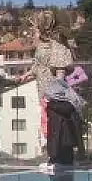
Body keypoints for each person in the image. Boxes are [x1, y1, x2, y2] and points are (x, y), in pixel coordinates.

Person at [18, 11, 74, 171]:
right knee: (49, 126)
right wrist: (27, 75)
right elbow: (38, 66)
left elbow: (60, 72)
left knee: (54, 127)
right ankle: (54, 158)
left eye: (35, 30)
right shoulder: (43, 47)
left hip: (52, 96)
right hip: (46, 94)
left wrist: (56, 95)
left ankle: (57, 159)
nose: (33, 33)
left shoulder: (56, 48)